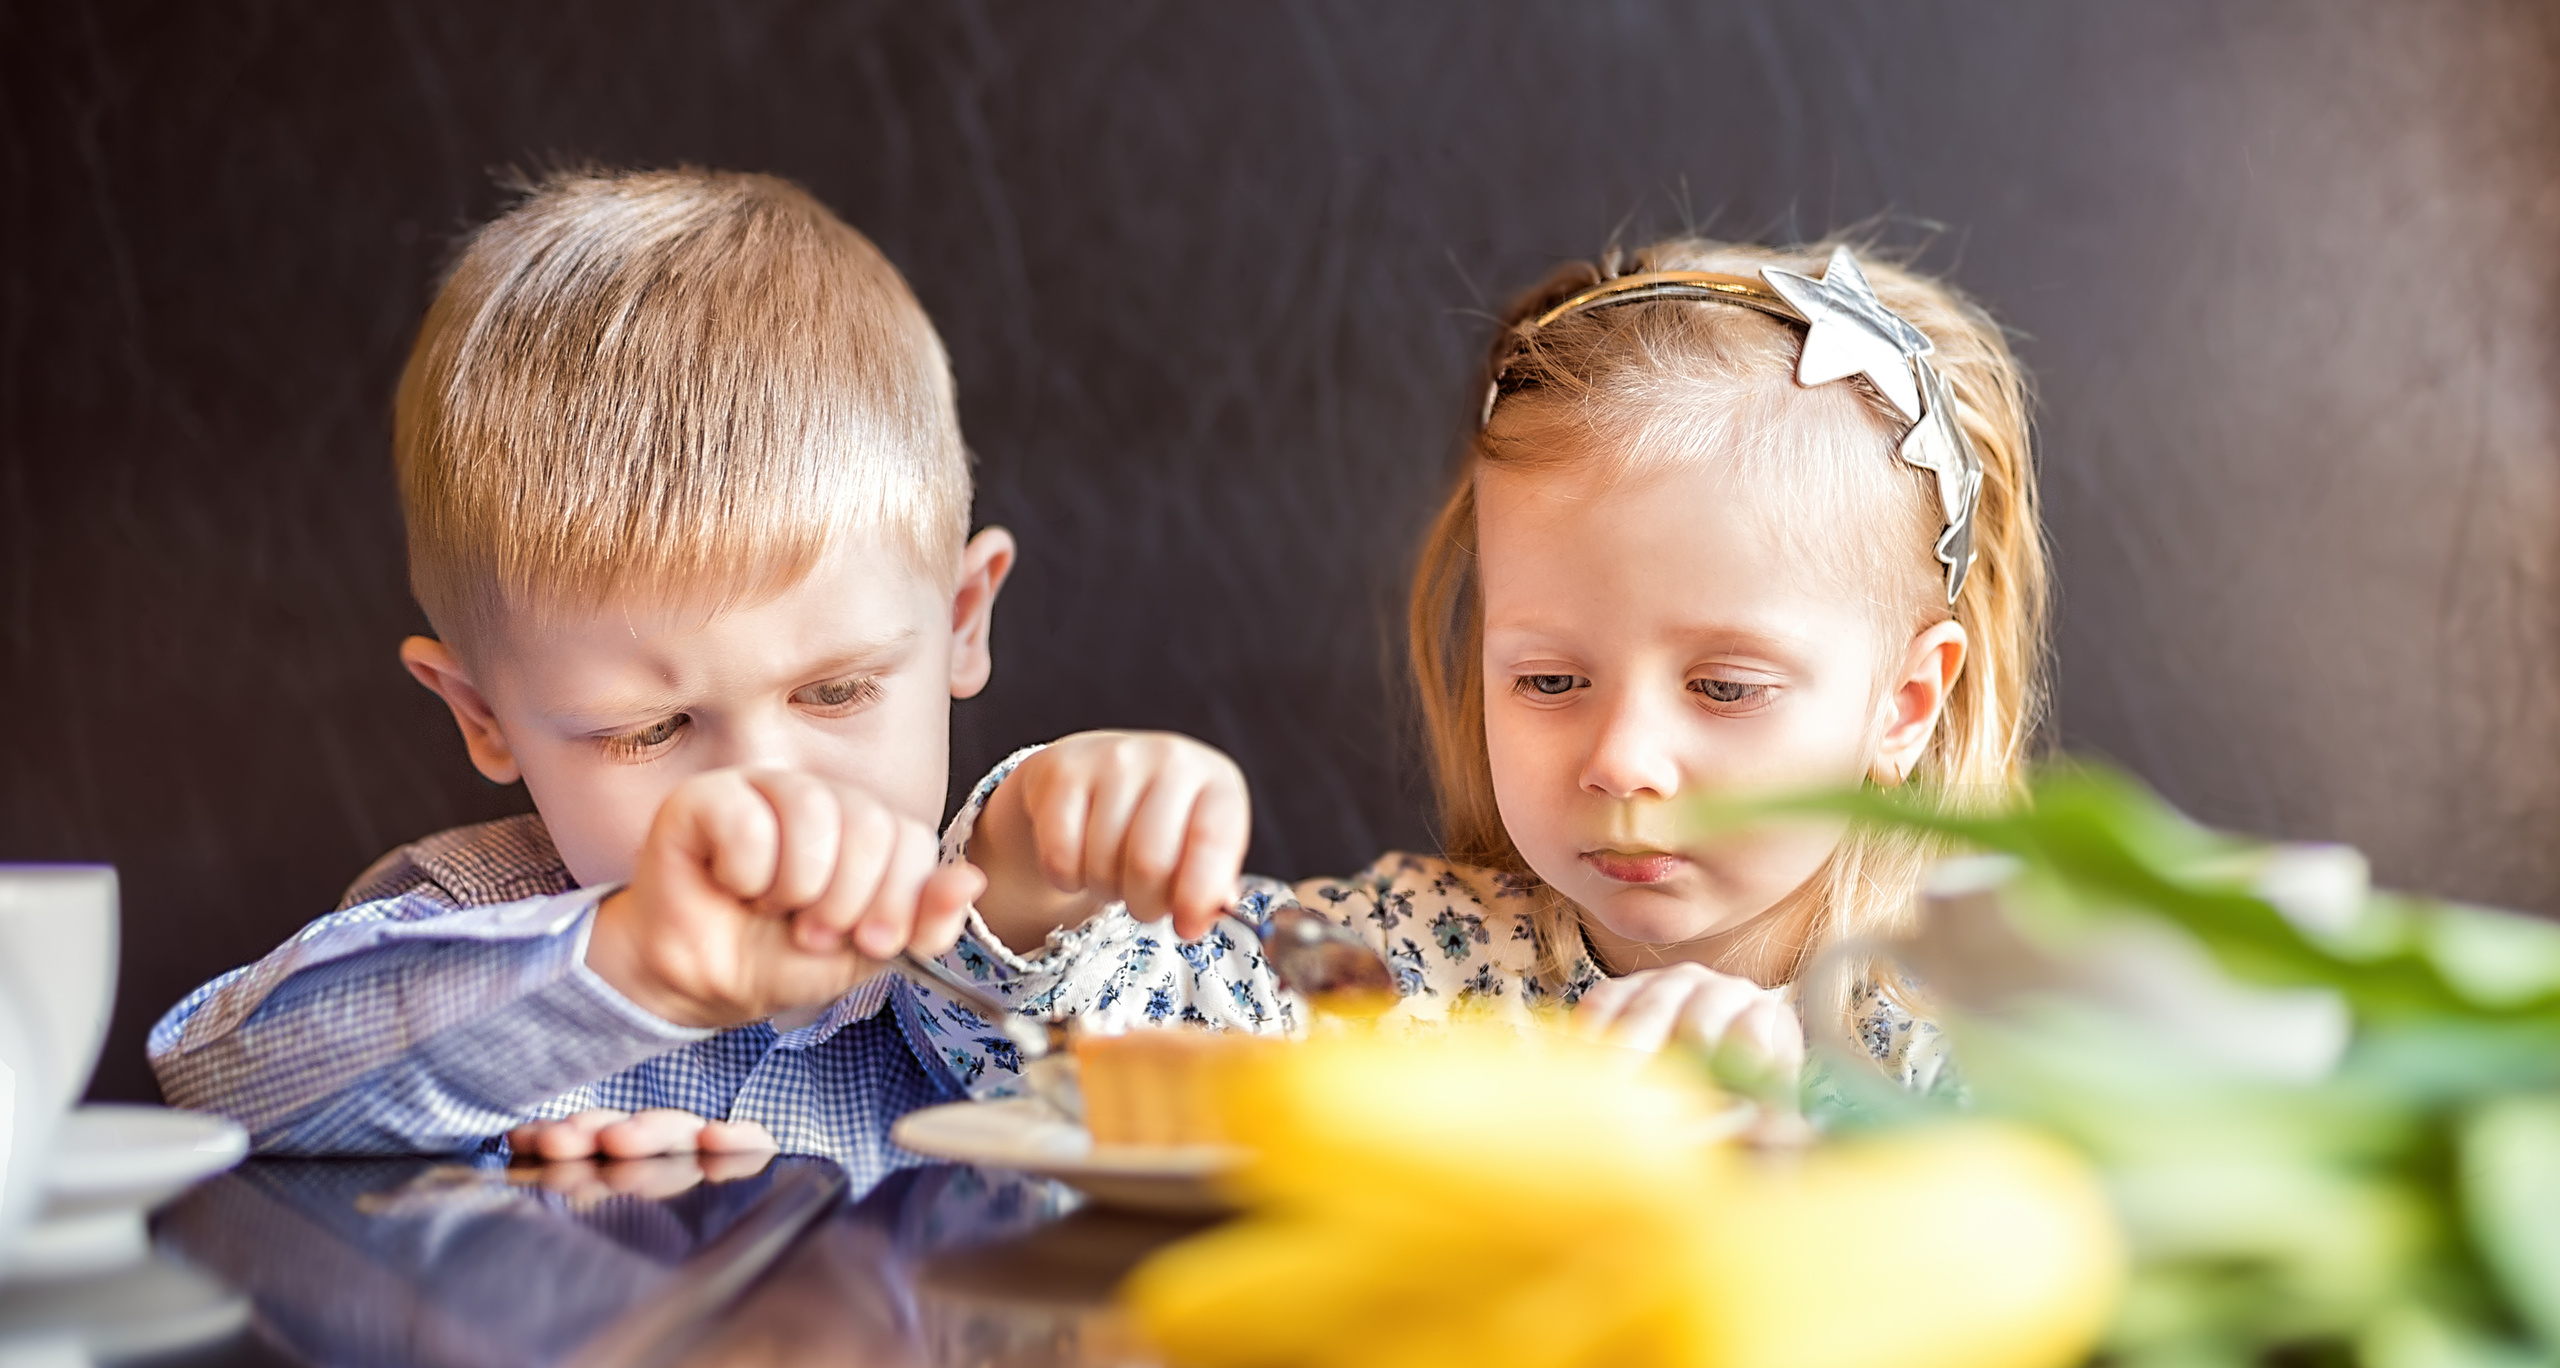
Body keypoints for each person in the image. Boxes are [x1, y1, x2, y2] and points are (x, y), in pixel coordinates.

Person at [148, 167, 1248, 1183]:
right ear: (483, 716)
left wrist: (1044, 892)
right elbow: (214, 1084)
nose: (765, 790)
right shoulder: (471, 928)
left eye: (835, 691)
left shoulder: (1018, 920)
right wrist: (635, 972)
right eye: (648, 727)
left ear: (962, 620)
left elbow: (1267, 1124)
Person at [959, 238, 2049, 1092]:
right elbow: (1047, 1059)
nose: (1622, 761)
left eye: (1723, 687)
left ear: (1903, 705)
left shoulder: (1974, 1032)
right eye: (1549, 681)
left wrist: (1778, 1151)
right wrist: (1034, 860)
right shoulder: (1409, 968)